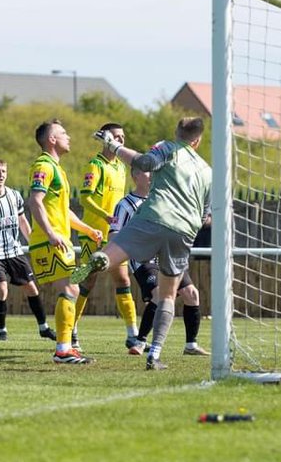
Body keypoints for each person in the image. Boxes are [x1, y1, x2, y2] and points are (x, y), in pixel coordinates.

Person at [83, 116, 211, 371]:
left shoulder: (167, 147)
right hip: (183, 231)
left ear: (177, 132)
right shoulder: (207, 171)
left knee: (111, 253)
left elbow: (144, 162)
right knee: (167, 297)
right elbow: (205, 215)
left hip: (154, 217)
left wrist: (114, 147)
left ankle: (98, 264)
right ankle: (154, 353)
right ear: (198, 140)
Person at [27, 119, 103, 364]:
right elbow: (35, 201)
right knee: (71, 288)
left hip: (60, 239)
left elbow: (64, 210)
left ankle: (67, 346)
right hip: (50, 241)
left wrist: (88, 229)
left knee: (74, 286)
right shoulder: (44, 165)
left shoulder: (58, 169)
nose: (68, 136)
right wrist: (50, 233)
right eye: (63, 133)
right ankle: (62, 350)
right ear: (51, 139)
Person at [114, 165, 207, 356]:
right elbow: (114, 234)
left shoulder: (163, 200)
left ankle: (191, 345)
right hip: (143, 260)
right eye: (148, 171)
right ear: (136, 175)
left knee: (191, 294)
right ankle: (140, 342)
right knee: (158, 295)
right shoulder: (124, 205)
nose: (152, 176)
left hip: (168, 256)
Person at [72, 122, 143, 354]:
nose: (121, 140)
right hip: (94, 233)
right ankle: (70, 330)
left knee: (123, 281)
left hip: (116, 235)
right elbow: (85, 198)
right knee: (87, 281)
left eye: (123, 136)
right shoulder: (95, 165)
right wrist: (106, 215)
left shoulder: (122, 167)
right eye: (116, 136)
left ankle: (132, 335)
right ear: (105, 138)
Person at [0, 159, 55, 342]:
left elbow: (22, 221)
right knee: (2, 290)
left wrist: (33, 242)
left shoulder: (15, 195)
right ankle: (2, 330)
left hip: (15, 252)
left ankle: (44, 328)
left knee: (31, 288)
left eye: (3, 171)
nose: (0, 174)